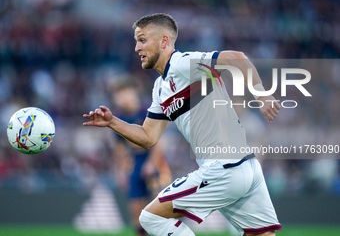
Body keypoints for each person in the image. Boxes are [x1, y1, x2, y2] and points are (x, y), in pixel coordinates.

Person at [83, 13, 282, 236]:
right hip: (245, 167)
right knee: (262, 233)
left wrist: (261, 94)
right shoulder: (160, 87)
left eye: (142, 40)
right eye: (136, 41)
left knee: (151, 217)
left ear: (164, 41)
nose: (137, 48)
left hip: (223, 168)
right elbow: (148, 137)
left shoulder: (184, 63)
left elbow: (236, 57)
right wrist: (113, 122)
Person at [111, 82, 171, 236]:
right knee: (136, 211)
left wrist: (152, 163)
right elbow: (119, 149)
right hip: (135, 164)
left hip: (154, 163)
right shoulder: (120, 119)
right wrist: (120, 172)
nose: (119, 98)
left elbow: (160, 140)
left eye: (122, 93)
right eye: (117, 95)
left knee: (160, 209)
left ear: (132, 92)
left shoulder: (147, 111)